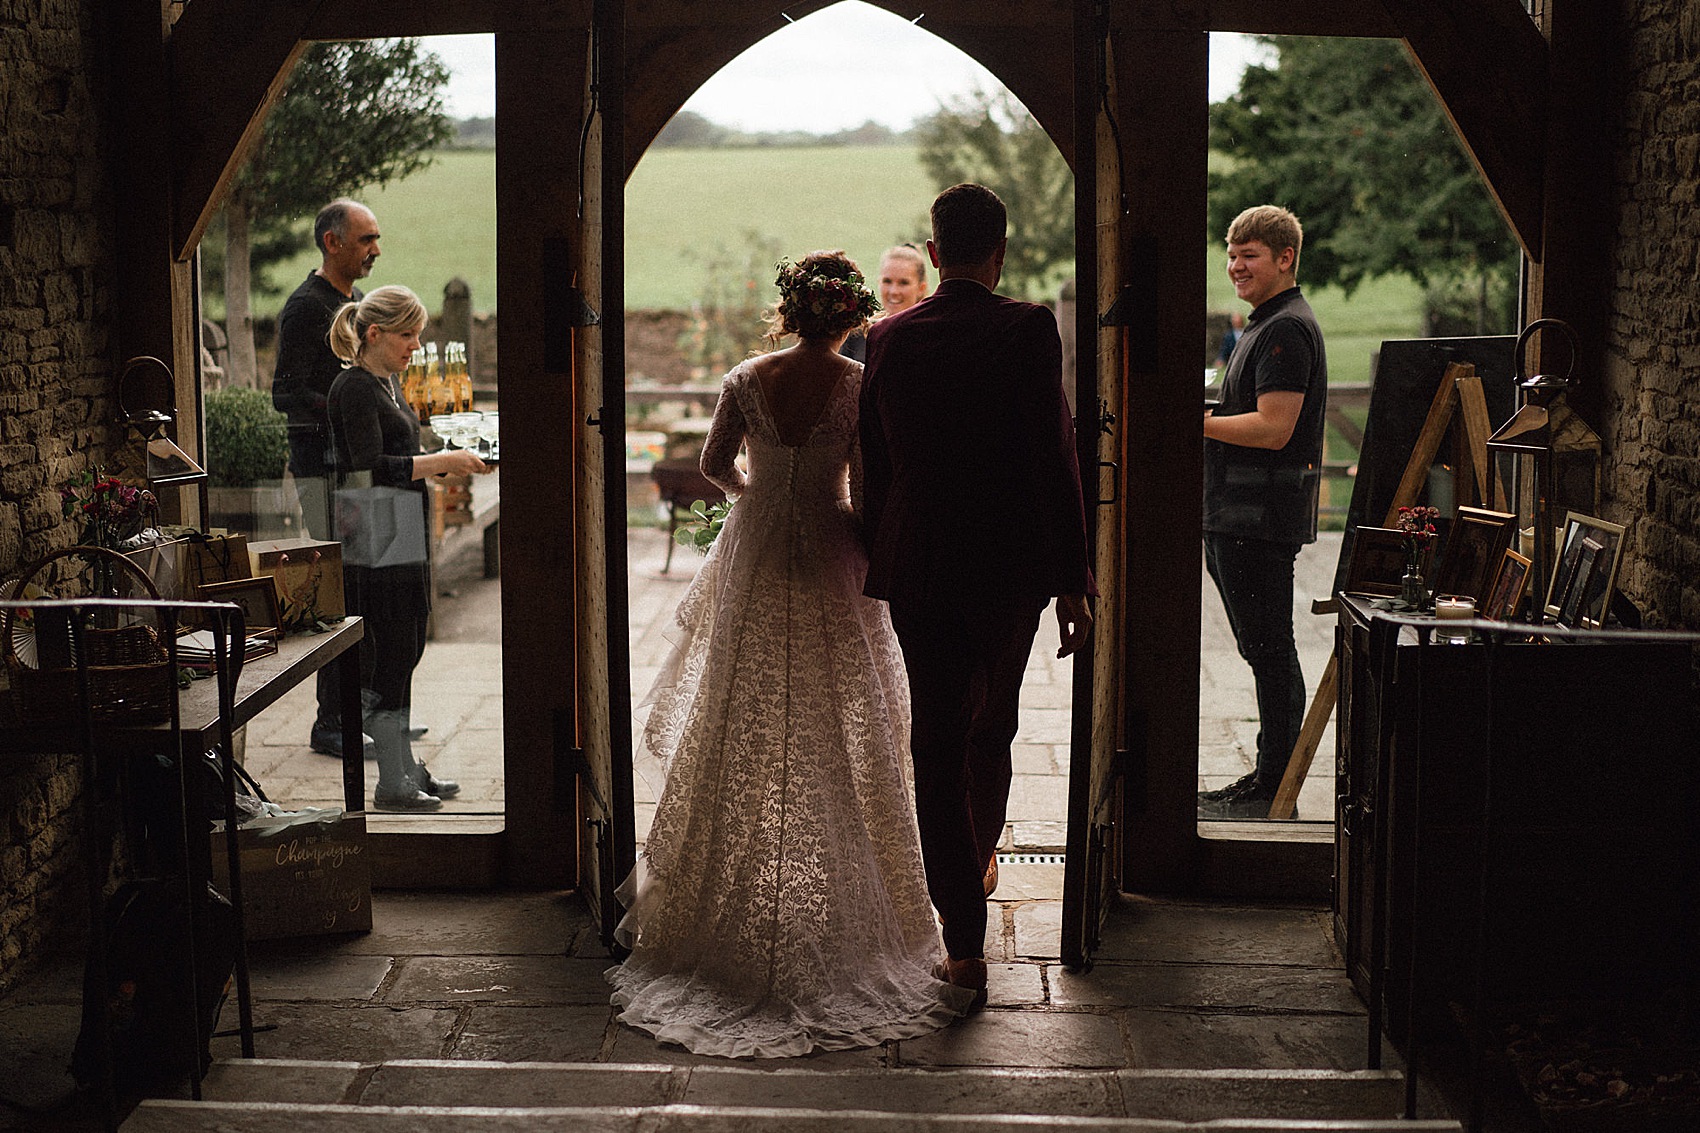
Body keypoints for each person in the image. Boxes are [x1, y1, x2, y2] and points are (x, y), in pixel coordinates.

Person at [608, 251, 974, 1057]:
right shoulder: (857, 382)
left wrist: (756, 497)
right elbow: (870, 482)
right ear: (851, 315)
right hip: (834, 552)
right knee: (846, 721)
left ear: (791, 308)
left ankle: (723, 911)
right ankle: (852, 908)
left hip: (756, 549)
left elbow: (710, 466)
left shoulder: (746, 374)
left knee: (742, 712)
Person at [860, 184, 1095, 1005]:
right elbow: (1055, 458)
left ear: (931, 253)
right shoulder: (1028, 327)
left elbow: (876, 464)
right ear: (1001, 252)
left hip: (919, 563)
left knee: (934, 738)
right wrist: (1073, 578)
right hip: (1007, 566)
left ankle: (962, 942)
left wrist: (875, 550)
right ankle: (979, 850)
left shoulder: (889, 338)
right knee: (992, 722)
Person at [326, 286, 489, 812]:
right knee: (391, 652)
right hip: (374, 538)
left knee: (410, 644)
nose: (416, 346)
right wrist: (444, 462)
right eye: (408, 335)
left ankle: (403, 769)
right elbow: (368, 468)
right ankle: (392, 781)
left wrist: (446, 455)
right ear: (374, 334)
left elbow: (400, 453)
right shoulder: (352, 389)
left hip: (404, 530)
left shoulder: (388, 383)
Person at [1196, 205, 1329, 820]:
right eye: (1232, 254)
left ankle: (1275, 788)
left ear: (1285, 258)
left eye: (1250, 255)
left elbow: (1275, 428)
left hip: (1257, 517)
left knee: (1270, 650)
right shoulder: (1263, 324)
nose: (1236, 266)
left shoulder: (1285, 330)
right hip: (1235, 516)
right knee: (1261, 648)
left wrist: (1197, 424)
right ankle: (1266, 777)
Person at [273, 199, 383, 760]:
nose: (375, 250)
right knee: (339, 590)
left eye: (376, 239)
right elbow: (285, 396)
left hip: (355, 467)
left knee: (366, 586)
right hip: (321, 470)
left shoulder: (356, 304)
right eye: (365, 239)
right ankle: (330, 723)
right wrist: (346, 404)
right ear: (331, 242)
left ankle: (357, 712)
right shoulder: (305, 309)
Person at [840, 244, 930, 363]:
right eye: (887, 281)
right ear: (879, 282)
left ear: (921, 288)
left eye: (903, 283)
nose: (893, 291)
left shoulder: (930, 336)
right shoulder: (856, 335)